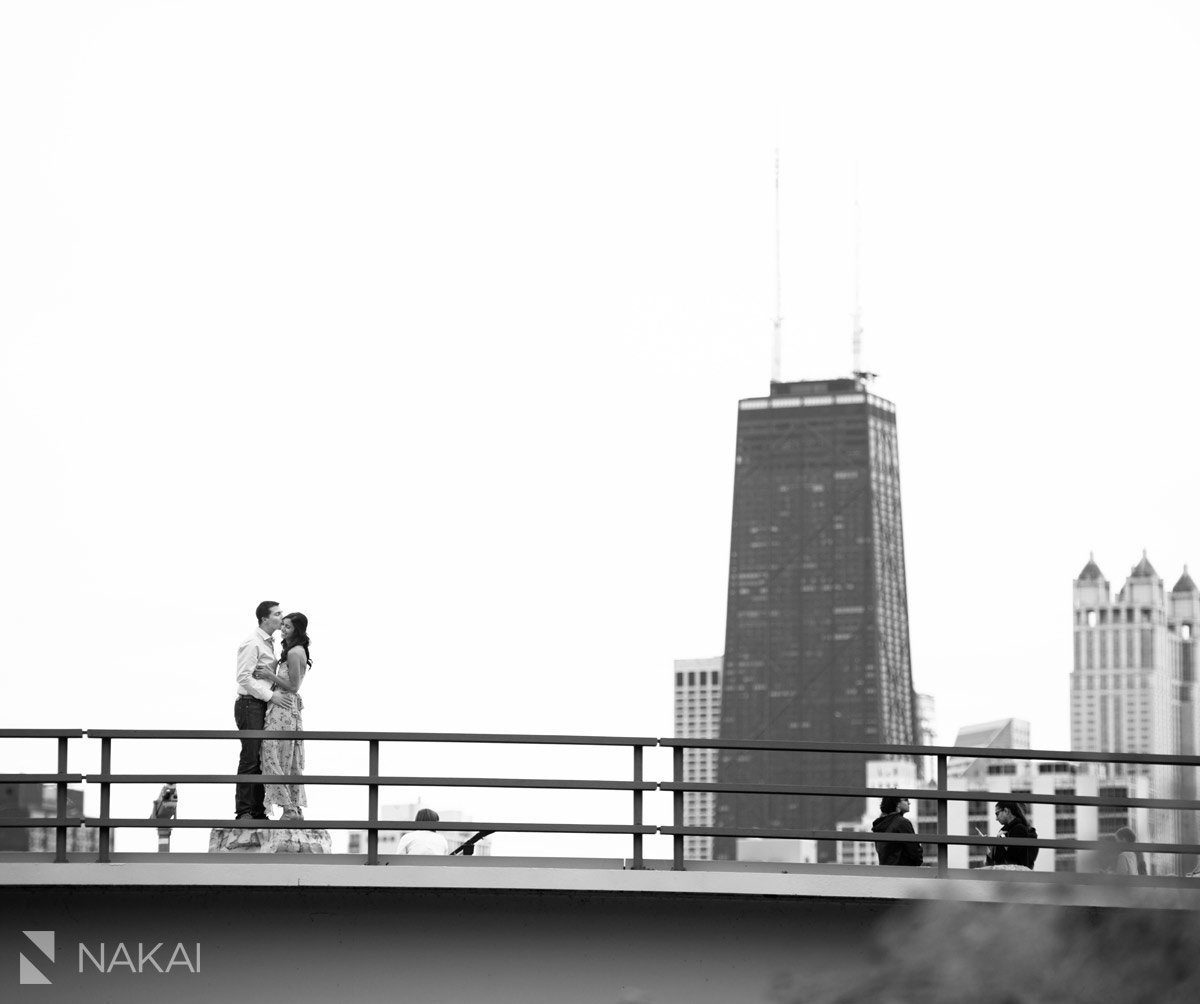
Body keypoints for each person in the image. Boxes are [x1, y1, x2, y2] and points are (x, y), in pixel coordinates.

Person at [234, 601, 293, 820]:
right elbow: (242, 677)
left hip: (260, 705)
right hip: (249, 704)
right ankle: (245, 812)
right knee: (250, 757)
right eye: (277, 614)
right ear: (264, 619)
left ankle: (258, 811)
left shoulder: (269, 643)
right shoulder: (253, 643)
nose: (281, 617)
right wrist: (271, 695)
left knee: (260, 757)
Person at [253, 612, 311, 821]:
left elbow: (294, 686)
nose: (283, 629)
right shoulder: (292, 651)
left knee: (271, 754)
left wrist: (269, 675)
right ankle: (293, 808)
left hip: (284, 708)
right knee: (286, 757)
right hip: (281, 708)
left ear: (297, 630)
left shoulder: (295, 652)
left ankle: (288, 807)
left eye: (288, 626)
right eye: (282, 625)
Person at [871, 795, 923, 866]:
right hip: (904, 871)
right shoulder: (902, 823)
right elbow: (915, 852)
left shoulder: (880, 824)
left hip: (886, 871)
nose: (909, 802)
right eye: (905, 799)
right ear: (897, 803)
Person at [984, 800, 1037, 868]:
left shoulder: (1019, 828)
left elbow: (1011, 857)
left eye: (997, 813)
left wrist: (1001, 837)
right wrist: (991, 847)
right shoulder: (1006, 830)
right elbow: (998, 859)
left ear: (1006, 811)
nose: (996, 818)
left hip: (1015, 875)